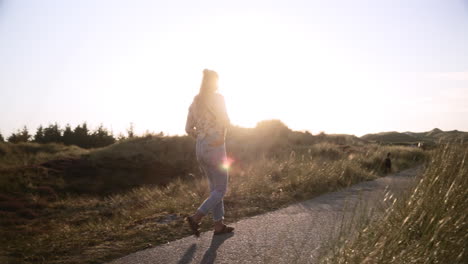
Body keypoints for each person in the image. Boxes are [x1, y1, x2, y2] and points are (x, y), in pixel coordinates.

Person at [185, 69, 234, 236]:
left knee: (215, 189)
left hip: (200, 147)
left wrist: (200, 136)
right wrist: (219, 136)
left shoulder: (195, 101)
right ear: (215, 82)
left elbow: (187, 128)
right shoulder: (218, 98)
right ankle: (196, 218)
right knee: (221, 190)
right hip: (216, 144)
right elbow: (225, 120)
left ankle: (218, 226)